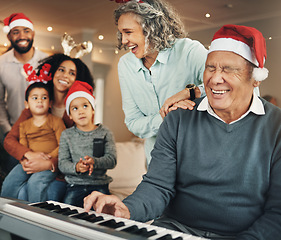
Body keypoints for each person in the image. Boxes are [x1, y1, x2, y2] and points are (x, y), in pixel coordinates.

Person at [84, 24, 281, 239]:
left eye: (228, 69)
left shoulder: (276, 127)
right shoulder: (178, 118)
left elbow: (277, 212)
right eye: (210, 68)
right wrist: (127, 208)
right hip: (174, 230)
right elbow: (157, 186)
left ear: (256, 78)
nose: (215, 79)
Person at [113, 0, 207, 167]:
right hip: (157, 164)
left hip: (198, 159)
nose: (124, 40)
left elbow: (224, 85)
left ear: (151, 27)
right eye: (121, 33)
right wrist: (167, 116)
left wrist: (189, 93)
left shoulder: (189, 51)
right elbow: (133, 122)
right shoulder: (125, 65)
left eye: (128, 32)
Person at [3, 53, 95, 201]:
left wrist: (48, 163)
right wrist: (28, 154)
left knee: (29, 190)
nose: (65, 76)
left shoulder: (80, 109)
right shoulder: (36, 105)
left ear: (77, 80)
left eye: (72, 73)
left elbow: (81, 149)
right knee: (14, 185)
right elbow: (10, 140)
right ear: (53, 72)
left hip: (63, 174)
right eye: (61, 70)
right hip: (32, 162)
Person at [0, 65, 67, 202]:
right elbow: (22, 143)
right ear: (27, 104)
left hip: (47, 162)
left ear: (50, 103)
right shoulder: (24, 124)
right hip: (29, 161)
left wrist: (47, 158)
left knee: (35, 183)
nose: (39, 101)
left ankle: (36, 216)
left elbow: (63, 145)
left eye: (44, 98)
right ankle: (5, 212)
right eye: (35, 98)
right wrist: (26, 159)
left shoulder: (56, 121)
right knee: (10, 181)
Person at [0, 13, 48, 172]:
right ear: (9, 35)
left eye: (26, 30)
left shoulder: (47, 61)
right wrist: (8, 130)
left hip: (44, 133)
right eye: (16, 32)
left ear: (33, 33)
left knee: (41, 179)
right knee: (14, 177)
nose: (22, 36)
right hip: (15, 134)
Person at [58, 81, 117, 207]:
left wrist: (94, 162)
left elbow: (112, 160)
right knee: (68, 216)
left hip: (99, 185)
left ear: (93, 109)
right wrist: (77, 167)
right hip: (75, 186)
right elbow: (62, 164)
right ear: (70, 116)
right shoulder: (66, 135)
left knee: (103, 215)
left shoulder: (105, 132)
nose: (81, 111)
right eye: (75, 108)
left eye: (85, 106)